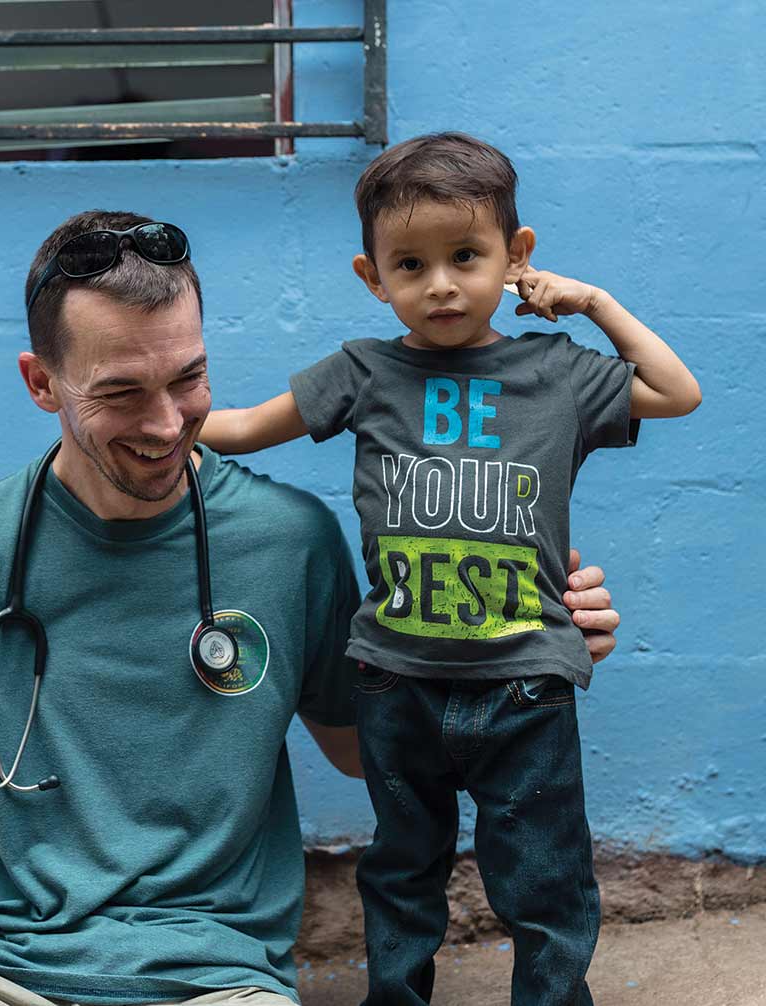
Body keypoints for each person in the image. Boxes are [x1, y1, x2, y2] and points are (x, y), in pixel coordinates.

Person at [0, 209, 622, 1006]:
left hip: (214, 979)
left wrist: (512, 648)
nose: (168, 424)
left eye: (189, 379)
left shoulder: (290, 543)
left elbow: (370, 748)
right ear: (41, 385)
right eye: (122, 393)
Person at [199, 133, 701, 1006]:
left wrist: (592, 303)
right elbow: (240, 428)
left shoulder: (558, 373)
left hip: (526, 684)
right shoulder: (362, 372)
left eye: (466, 256)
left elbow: (677, 389)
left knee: (544, 882)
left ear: (517, 256)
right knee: (401, 872)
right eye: (410, 264)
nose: (439, 284)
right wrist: (155, 419)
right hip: (396, 684)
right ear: (372, 276)